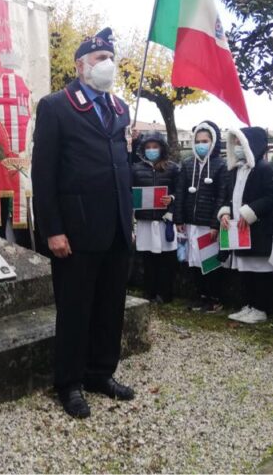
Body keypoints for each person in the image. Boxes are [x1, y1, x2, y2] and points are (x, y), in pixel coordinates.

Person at [32, 27, 135, 419]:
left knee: (111, 306)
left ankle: (100, 372)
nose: (106, 64)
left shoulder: (119, 108)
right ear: (79, 66)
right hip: (75, 229)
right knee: (75, 310)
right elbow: (44, 175)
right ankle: (70, 382)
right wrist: (52, 229)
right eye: (98, 59)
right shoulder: (57, 106)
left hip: (115, 226)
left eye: (110, 57)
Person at [219, 127, 273, 324]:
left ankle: (260, 308)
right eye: (234, 143)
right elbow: (231, 197)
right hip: (239, 230)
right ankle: (249, 304)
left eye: (240, 143)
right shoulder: (236, 171)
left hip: (257, 229)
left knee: (259, 271)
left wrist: (250, 211)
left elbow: (272, 197)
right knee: (244, 271)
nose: (236, 147)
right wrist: (226, 212)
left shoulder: (264, 169)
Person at [174, 121, 228, 313]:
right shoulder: (187, 164)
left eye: (205, 141)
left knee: (210, 262)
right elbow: (180, 193)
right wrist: (178, 219)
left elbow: (222, 196)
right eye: (197, 141)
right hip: (190, 223)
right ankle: (200, 296)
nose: (200, 144)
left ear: (213, 142)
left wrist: (215, 224)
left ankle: (214, 299)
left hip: (208, 224)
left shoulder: (221, 165)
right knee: (193, 261)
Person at [131, 131, 180, 303]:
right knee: (148, 259)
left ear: (162, 148)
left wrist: (171, 199)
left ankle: (165, 293)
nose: (152, 150)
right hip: (145, 221)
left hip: (164, 221)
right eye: (148, 147)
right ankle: (148, 292)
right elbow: (131, 193)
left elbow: (179, 192)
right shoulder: (136, 169)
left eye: (155, 147)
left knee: (166, 260)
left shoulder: (173, 168)